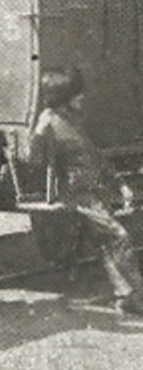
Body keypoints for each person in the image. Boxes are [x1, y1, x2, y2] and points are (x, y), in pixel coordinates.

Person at [27, 68, 143, 316]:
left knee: (110, 241)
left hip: (91, 190)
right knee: (117, 237)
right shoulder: (49, 123)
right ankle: (134, 297)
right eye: (77, 94)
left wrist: (120, 183)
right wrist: (38, 134)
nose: (83, 98)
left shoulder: (71, 121)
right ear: (62, 96)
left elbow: (95, 157)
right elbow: (33, 159)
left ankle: (128, 296)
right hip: (77, 194)